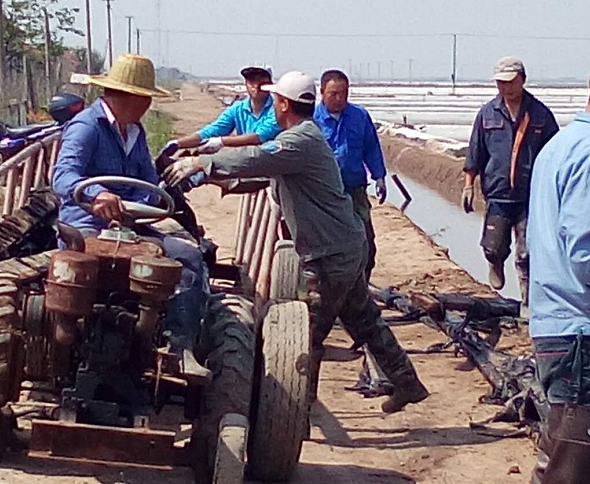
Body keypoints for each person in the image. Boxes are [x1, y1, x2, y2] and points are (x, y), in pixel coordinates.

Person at [164, 71, 429, 413]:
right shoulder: (300, 140)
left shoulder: (300, 140)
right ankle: (407, 383)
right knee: (364, 320)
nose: (272, 106)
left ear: (284, 104)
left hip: (331, 254)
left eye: (275, 100)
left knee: (304, 333)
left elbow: (256, 159)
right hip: (343, 247)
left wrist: (202, 160)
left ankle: (297, 410)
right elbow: (262, 175)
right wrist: (207, 177)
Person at [52, 53, 211, 382]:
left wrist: (140, 204)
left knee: (189, 256)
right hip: (86, 224)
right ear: (127, 96)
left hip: (131, 229)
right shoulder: (86, 127)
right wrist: (98, 196)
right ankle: (66, 332)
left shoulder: (135, 132)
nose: (148, 105)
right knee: (80, 263)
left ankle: (178, 347)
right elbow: (63, 176)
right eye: (145, 97)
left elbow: (149, 185)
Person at [527, 43, 590, 484]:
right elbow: (588, 255)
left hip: (561, 326)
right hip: (586, 333)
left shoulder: (561, 145)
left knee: (559, 461)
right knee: (575, 471)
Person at [462, 56, 558, 304]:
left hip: (529, 197)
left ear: (523, 80)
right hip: (498, 195)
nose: (506, 88)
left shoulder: (540, 114)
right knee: (493, 247)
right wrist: (468, 185)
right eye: (501, 83)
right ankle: (495, 262)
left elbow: (555, 154)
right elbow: (475, 151)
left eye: (511, 82)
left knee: (527, 255)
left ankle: (528, 302)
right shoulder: (487, 114)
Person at [314, 69, 387, 281]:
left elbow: (371, 147)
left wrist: (379, 177)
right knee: (326, 246)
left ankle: (361, 286)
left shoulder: (359, 116)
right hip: (323, 194)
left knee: (365, 243)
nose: (339, 99)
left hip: (354, 189)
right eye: (333, 94)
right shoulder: (311, 121)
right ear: (322, 93)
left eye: (344, 93)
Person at [163, 63, 281, 155]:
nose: (256, 85)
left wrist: (221, 141)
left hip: (268, 159)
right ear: (245, 84)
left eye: (261, 80)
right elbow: (213, 130)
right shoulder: (238, 108)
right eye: (251, 80)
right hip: (246, 157)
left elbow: (259, 136)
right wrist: (178, 144)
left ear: (270, 84)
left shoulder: (278, 109)